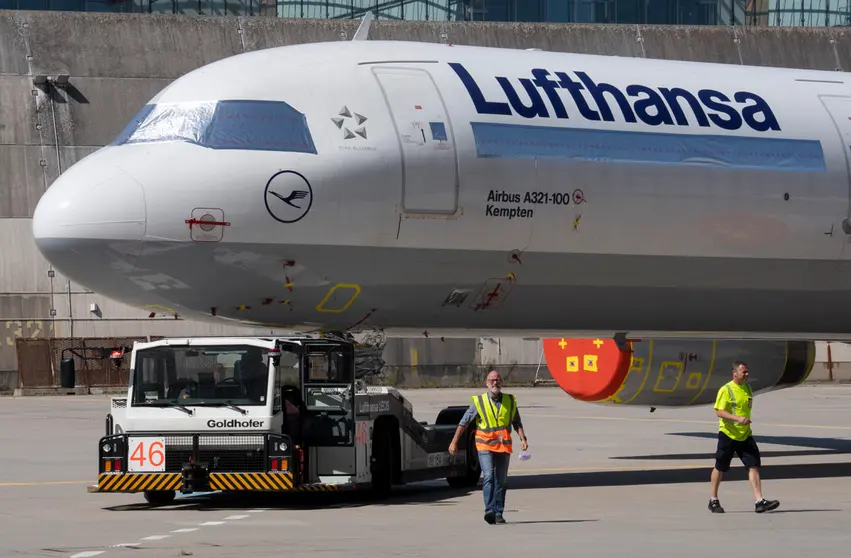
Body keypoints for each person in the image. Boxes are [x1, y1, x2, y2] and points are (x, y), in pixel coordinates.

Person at [448, 370, 527, 525]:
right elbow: (464, 422)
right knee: (489, 477)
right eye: (491, 380)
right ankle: (489, 510)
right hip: (484, 445)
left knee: (502, 480)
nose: (494, 383)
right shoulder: (479, 401)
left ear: (502, 382)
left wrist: (523, 438)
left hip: (503, 446)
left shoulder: (510, 401)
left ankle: (499, 512)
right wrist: (454, 441)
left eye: (497, 380)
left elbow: (516, 422)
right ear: (486, 383)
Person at [708, 360, 779, 514]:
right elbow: (719, 411)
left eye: (747, 372)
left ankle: (759, 501)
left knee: (753, 465)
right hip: (728, 434)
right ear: (735, 373)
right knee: (720, 467)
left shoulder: (747, 388)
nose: (747, 374)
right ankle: (713, 500)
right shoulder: (726, 390)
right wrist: (737, 418)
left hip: (745, 434)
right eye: (743, 372)